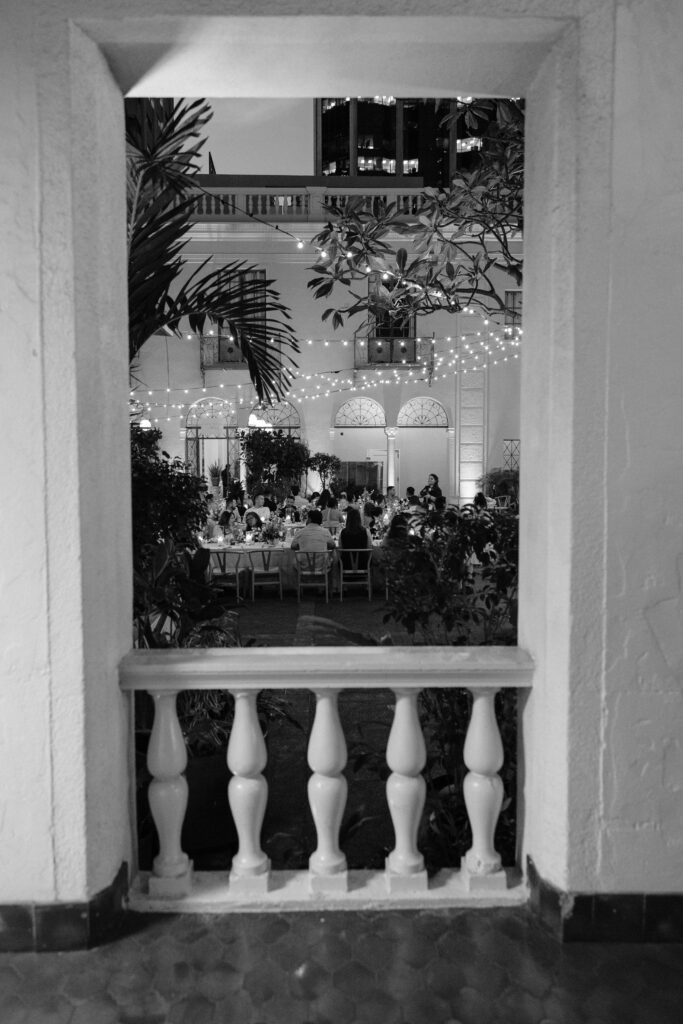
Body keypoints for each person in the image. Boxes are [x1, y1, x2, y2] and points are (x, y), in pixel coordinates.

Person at [338, 505, 372, 569]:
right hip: (363, 564)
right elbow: (369, 547)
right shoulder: (366, 531)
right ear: (359, 518)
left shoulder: (343, 532)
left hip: (346, 564)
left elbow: (340, 548)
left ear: (348, 519)